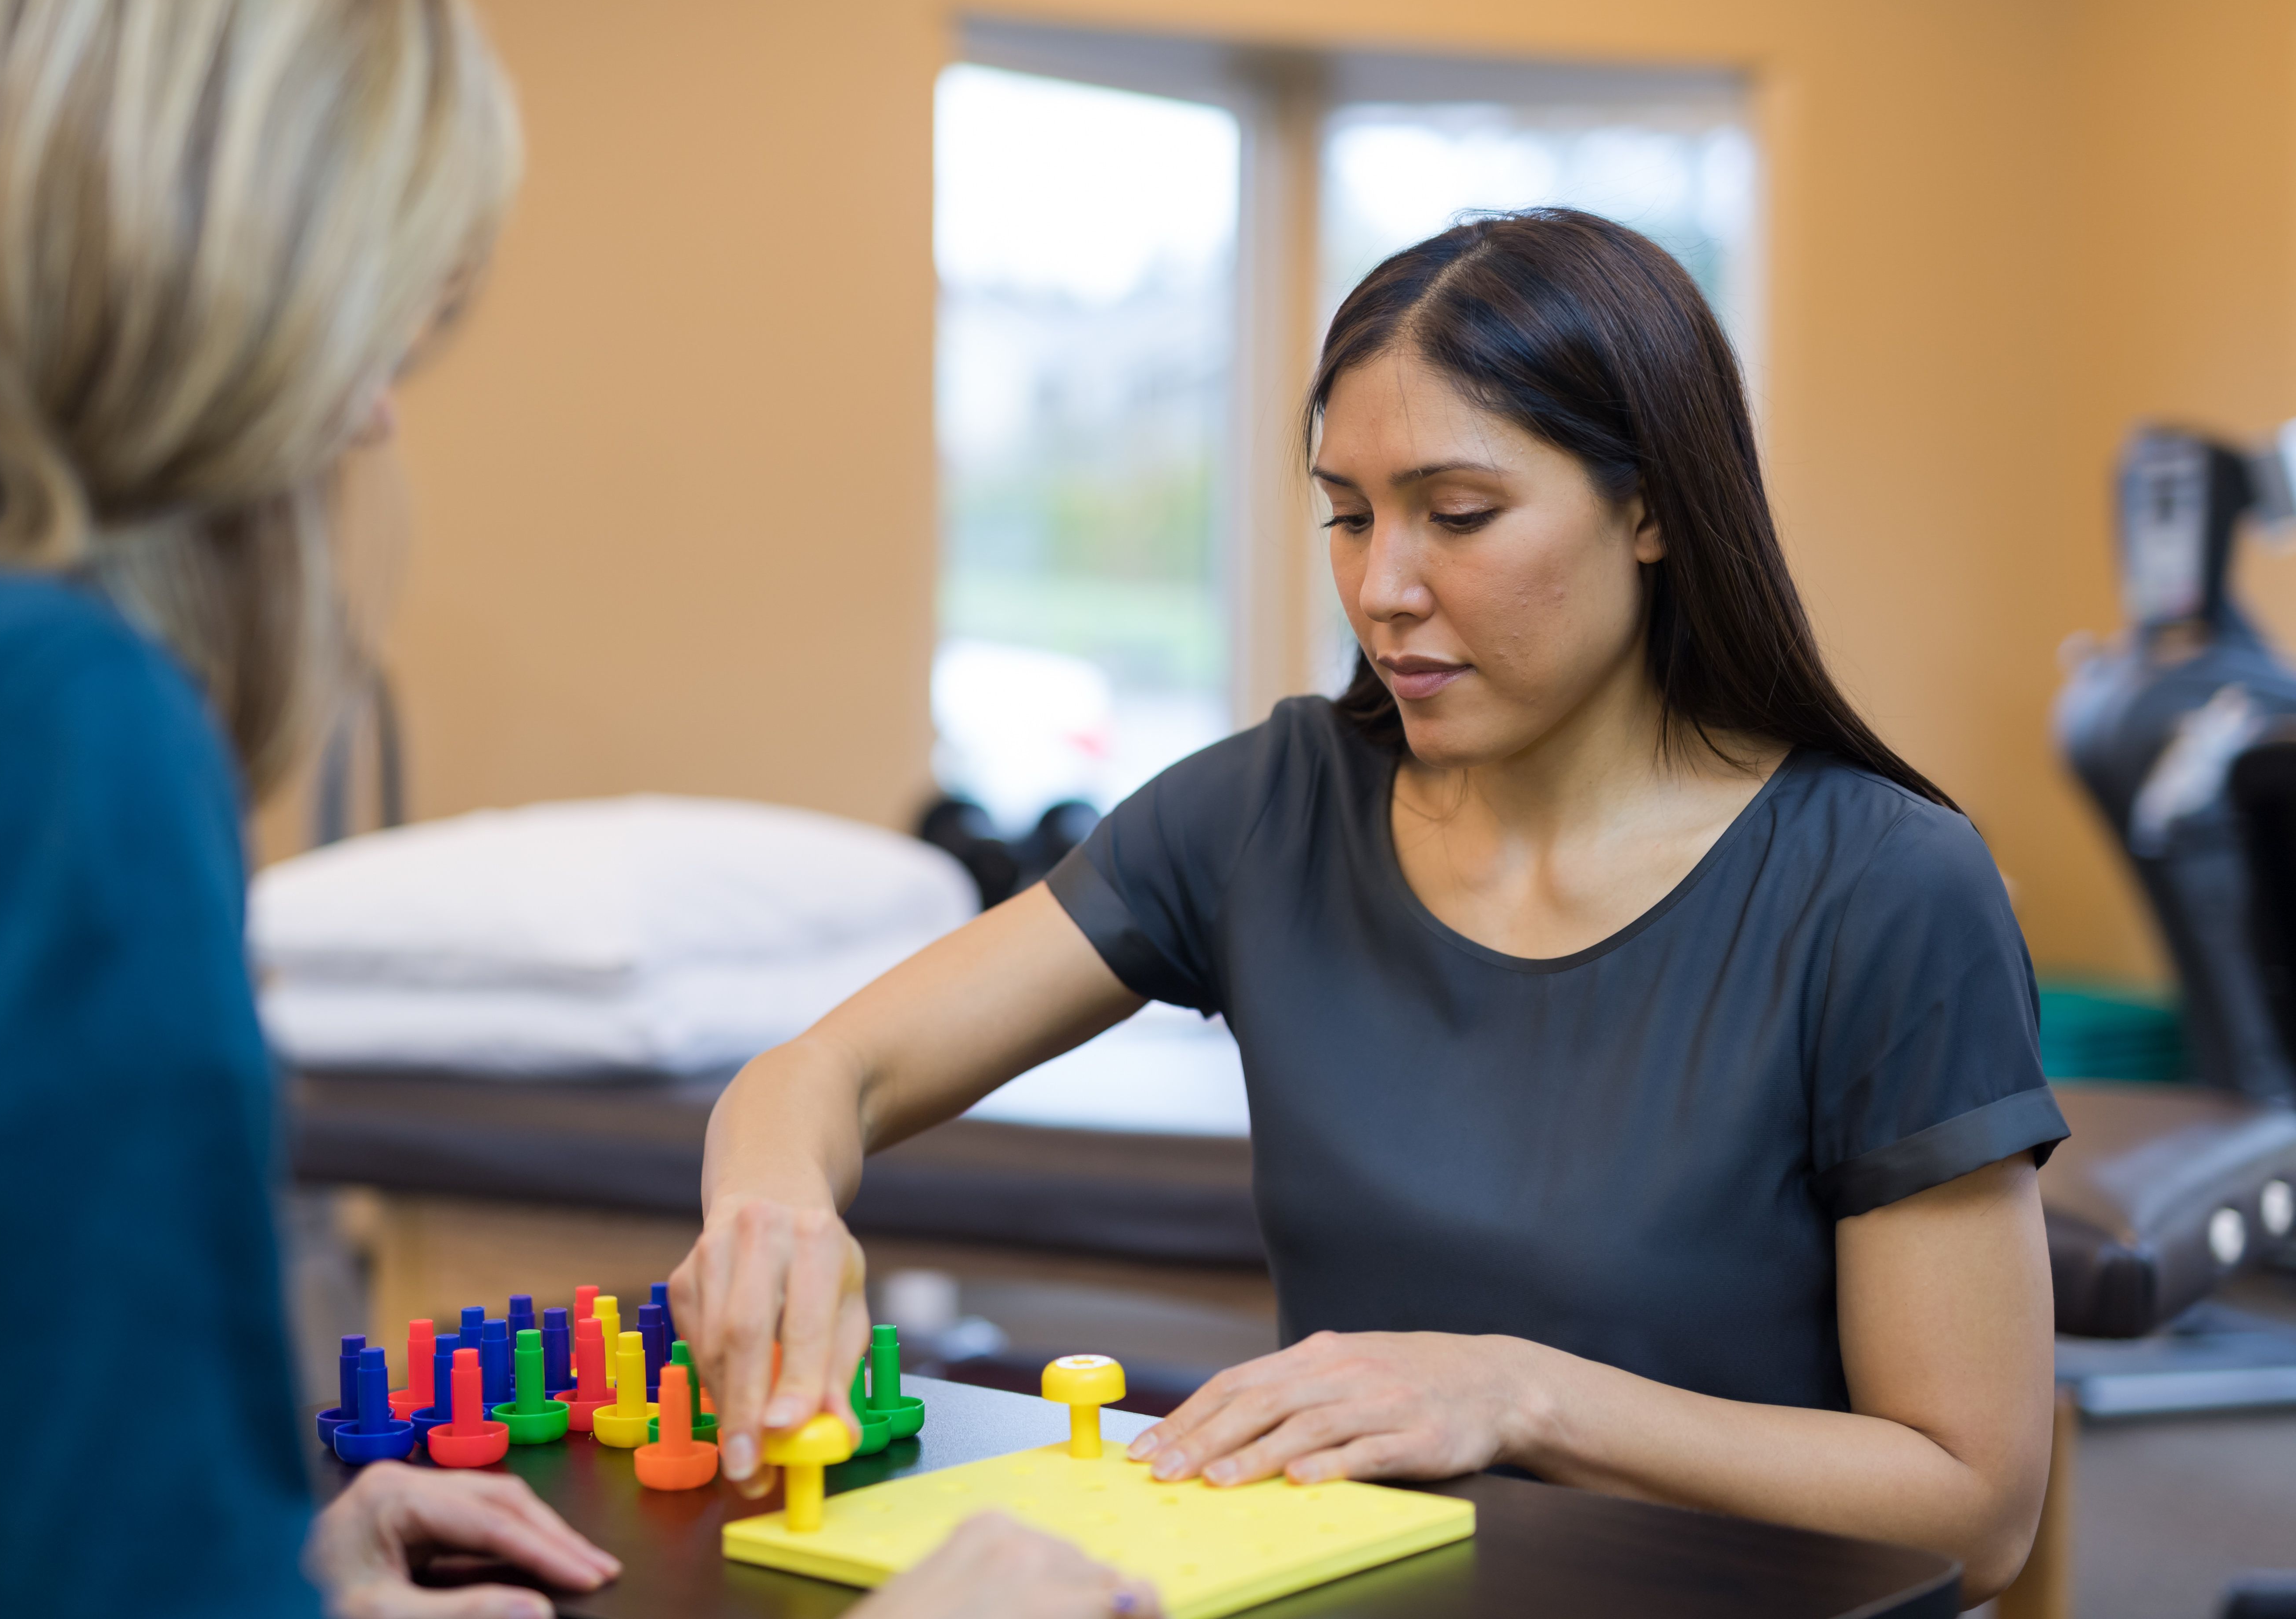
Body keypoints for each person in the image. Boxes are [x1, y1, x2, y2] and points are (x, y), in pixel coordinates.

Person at [0, 0, 1149, 1617]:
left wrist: (271, 1569)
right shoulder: (45, 732)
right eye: (376, 318)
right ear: (214, 274)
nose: (379, 408)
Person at [672, 209, 2070, 1608]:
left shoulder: (1883, 884)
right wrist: (771, 1205)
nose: (1382, 589)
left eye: (1457, 516)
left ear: (1650, 507)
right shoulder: (1264, 811)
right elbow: (826, 1075)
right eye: (1348, 516)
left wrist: (1520, 1396)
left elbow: (1975, 1501)